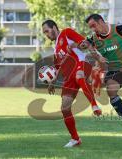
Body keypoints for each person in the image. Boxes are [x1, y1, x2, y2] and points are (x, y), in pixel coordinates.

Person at [42, 19, 102, 147]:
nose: (46, 34)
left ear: (54, 27)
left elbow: (83, 43)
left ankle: (94, 105)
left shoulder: (67, 32)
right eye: (44, 33)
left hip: (82, 64)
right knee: (65, 108)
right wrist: (52, 81)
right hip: (69, 77)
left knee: (79, 76)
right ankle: (75, 139)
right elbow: (58, 67)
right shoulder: (56, 49)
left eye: (47, 30)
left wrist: (87, 48)